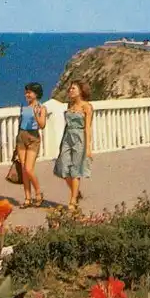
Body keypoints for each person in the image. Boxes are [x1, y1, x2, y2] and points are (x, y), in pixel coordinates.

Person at [54, 80, 93, 211]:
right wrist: (62, 143)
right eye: (70, 89)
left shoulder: (86, 106)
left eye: (73, 88)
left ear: (81, 91)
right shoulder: (70, 105)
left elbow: (88, 128)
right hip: (67, 137)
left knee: (75, 170)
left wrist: (88, 148)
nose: (70, 90)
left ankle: (73, 200)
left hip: (79, 138)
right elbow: (67, 125)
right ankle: (76, 192)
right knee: (64, 168)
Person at [16, 82, 47, 208]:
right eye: (26, 92)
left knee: (29, 169)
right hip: (21, 137)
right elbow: (21, 123)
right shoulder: (23, 106)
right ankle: (27, 198)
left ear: (36, 94)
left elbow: (42, 125)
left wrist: (36, 114)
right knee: (24, 169)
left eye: (29, 92)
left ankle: (38, 193)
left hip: (33, 138)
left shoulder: (41, 108)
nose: (26, 95)